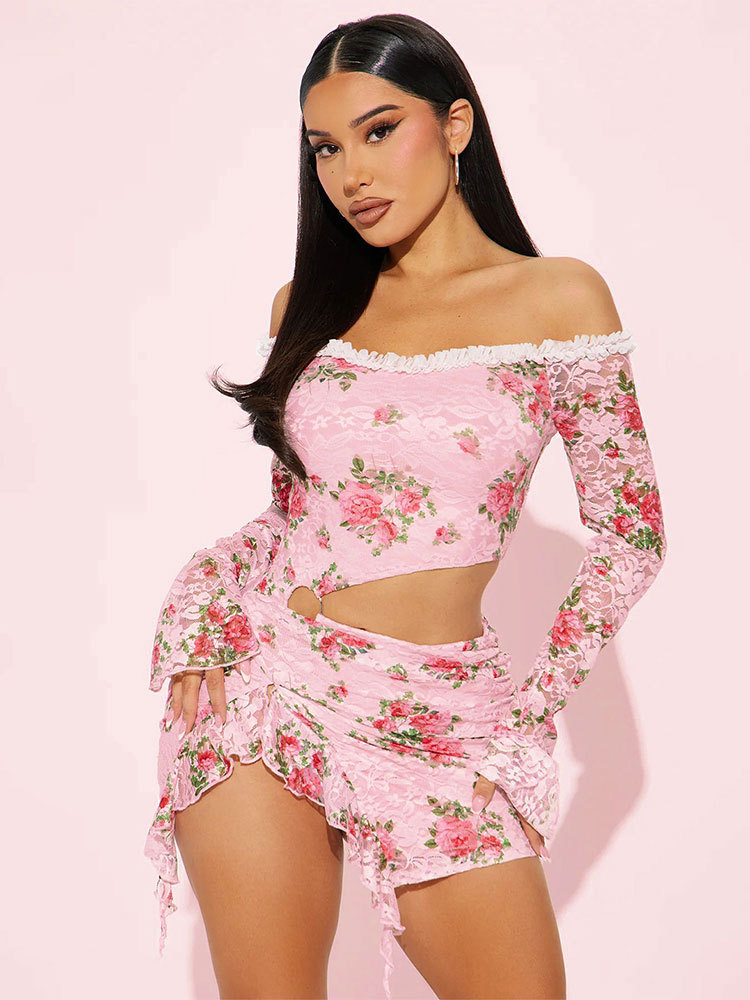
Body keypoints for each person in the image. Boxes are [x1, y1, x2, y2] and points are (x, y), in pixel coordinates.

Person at [144, 13, 667, 1000]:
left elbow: (630, 537)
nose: (352, 174)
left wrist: (525, 716)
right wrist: (206, 601)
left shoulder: (559, 299)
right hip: (268, 686)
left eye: (380, 131)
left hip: (445, 718)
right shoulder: (310, 306)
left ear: (455, 124)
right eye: (326, 148)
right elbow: (297, 517)